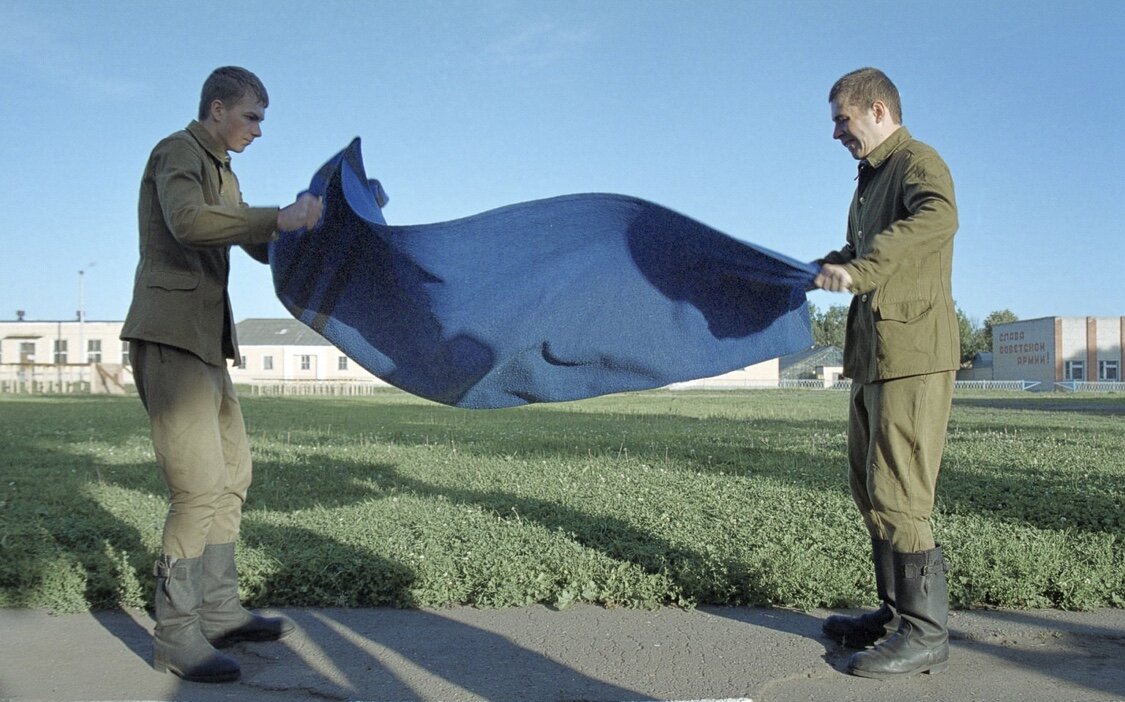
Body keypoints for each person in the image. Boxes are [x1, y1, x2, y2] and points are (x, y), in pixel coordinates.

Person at [121, 66, 322, 683]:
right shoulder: (177, 153)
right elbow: (190, 223)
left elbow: (252, 239)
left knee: (234, 476)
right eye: (251, 117)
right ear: (217, 109)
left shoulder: (225, 173)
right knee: (198, 488)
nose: (258, 131)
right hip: (170, 338)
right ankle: (176, 634)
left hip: (207, 344)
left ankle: (219, 609)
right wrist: (275, 220)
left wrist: (312, 221)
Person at [813, 67, 959, 679]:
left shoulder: (918, 162)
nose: (837, 135)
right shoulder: (868, 182)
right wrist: (832, 263)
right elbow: (860, 252)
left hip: (914, 356)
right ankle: (896, 612)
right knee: (869, 486)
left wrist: (862, 269)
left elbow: (935, 220)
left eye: (842, 121)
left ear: (877, 110)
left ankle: (926, 633)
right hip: (873, 356)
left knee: (901, 491)